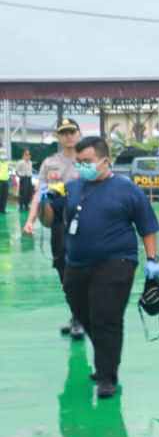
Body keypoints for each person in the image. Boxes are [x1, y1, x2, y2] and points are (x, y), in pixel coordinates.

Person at [38, 136, 159, 398]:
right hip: (77, 264)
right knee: (83, 314)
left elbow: (147, 227)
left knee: (107, 318)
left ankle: (107, 375)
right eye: (79, 162)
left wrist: (153, 262)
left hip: (117, 262)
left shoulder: (127, 189)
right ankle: (105, 359)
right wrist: (44, 201)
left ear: (105, 161)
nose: (82, 167)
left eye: (88, 162)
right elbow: (49, 221)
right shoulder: (71, 188)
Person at [24, 118, 83, 337]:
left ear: (78, 133)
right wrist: (30, 220)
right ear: (58, 136)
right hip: (58, 223)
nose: (68, 136)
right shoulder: (50, 162)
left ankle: (80, 317)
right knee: (63, 269)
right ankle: (77, 314)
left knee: (79, 269)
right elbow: (39, 194)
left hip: (83, 221)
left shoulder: (87, 160)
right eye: (63, 133)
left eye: (71, 132)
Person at [16, 149, 34, 214]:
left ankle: (26, 205)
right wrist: (20, 176)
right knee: (22, 193)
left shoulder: (30, 162)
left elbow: (30, 171)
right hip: (23, 178)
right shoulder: (20, 162)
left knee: (29, 193)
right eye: (26, 154)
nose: (28, 156)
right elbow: (17, 171)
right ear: (23, 155)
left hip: (29, 178)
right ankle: (21, 206)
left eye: (29, 154)